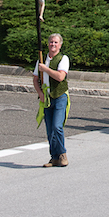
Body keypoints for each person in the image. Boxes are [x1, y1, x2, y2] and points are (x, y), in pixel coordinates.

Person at [33, 33, 70, 167]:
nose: (53, 45)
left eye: (55, 42)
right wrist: (40, 93)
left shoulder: (63, 59)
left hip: (60, 96)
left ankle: (62, 154)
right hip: (47, 97)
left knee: (57, 126)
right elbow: (35, 79)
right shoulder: (41, 60)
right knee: (49, 129)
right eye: (51, 42)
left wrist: (46, 69)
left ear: (60, 45)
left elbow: (60, 77)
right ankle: (54, 157)